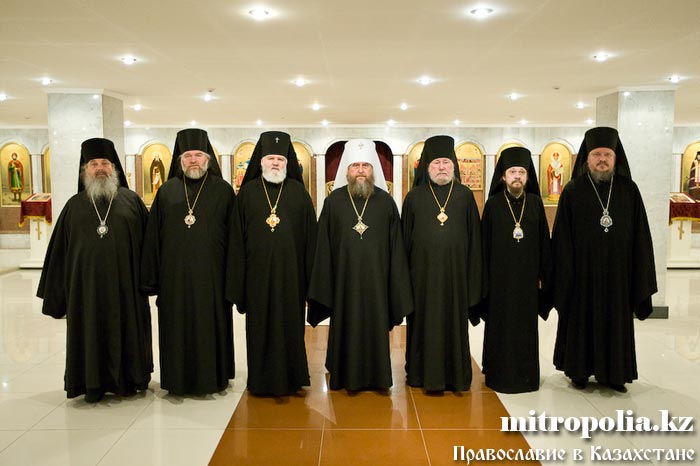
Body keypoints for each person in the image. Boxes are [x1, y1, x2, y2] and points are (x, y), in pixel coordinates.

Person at [37, 138, 151, 402]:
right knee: (88, 334)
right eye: (94, 164)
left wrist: (151, 282)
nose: (100, 168)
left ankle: (129, 379)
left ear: (114, 168)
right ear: (85, 170)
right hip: (85, 290)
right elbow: (59, 253)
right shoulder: (74, 205)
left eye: (105, 163)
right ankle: (89, 383)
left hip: (126, 288)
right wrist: (57, 294)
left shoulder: (131, 201)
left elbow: (149, 247)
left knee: (128, 331)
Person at [552, 126, 657, 393]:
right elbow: (562, 237)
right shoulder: (573, 191)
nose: (602, 160)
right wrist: (564, 274)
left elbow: (641, 235)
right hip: (582, 275)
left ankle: (615, 375)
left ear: (615, 158)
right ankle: (579, 372)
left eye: (607, 155)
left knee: (615, 321)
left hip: (618, 275)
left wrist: (640, 273)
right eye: (597, 154)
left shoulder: (629, 191)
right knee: (581, 321)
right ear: (587, 158)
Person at [308, 139, 413, 391]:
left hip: (378, 282)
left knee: (376, 324)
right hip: (343, 282)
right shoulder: (334, 202)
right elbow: (323, 246)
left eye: (366, 165)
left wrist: (395, 284)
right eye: (355, 166)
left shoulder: (386, 202)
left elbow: (396, 247)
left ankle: (378, 375)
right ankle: (343, 372)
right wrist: (325, 281)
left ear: (373, 169)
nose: (361, 170)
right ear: (347, 170)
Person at [141, 128, 236, 396]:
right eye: (188, 156)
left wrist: (233, 280)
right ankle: (177, 380)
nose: (193, 160)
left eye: (198, 155)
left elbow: (235, 238)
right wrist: (151, 278)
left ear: (208, 159)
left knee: (211, 328)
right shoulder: (167, 191)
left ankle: (214, 378)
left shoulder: (223, 191)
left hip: (213, 278)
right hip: (175, 279)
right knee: (176, 329)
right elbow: (153, 237)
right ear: (180, 160)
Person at [227, 131, 317, 396]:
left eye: (280, 159)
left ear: (287, 163)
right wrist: (238, 282)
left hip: (292, 277)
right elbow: (236, 240)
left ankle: (292, 378)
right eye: (270, 159)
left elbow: (311, 240)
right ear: (261, 162)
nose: (275, 163)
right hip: (257, 277)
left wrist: (311, 280)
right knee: (259, 329)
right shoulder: (247, 194)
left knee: (291, 327)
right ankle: (260, 380)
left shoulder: (299, 194)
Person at [401, 135, 482, 392]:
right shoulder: (414, 197)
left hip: (456, 279)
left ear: (454, 166)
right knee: (423, 326)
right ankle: (419, 374)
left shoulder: (465, 196)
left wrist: (473, 281)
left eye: (446, 162)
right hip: (421, 280)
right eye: (436, 163)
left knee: (453, 326)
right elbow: (404, 243)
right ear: (427, 167)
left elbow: (475, 241)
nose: (442, 168)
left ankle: (455, 376)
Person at [480, 146, 552, 394]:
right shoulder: (493, 205)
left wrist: (544, 275)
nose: (517, 176)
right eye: (512, 172)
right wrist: (485, 281)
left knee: (525, 330)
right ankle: (497, 375)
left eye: (522, 172)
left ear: (528, 176)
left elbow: (544, 243)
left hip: (527, 283)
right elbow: (484, 246)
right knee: (500, 328)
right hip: (499, 283)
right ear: (503, 176)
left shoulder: (535, 204)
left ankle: (526, 378)